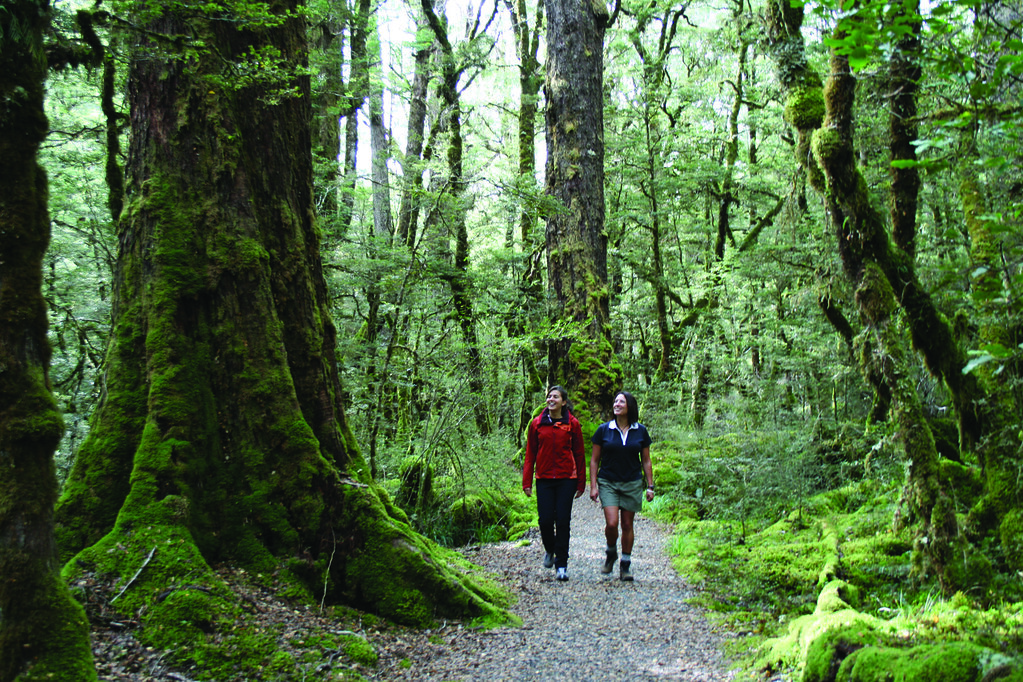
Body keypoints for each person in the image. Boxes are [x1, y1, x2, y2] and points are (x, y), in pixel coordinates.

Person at [523, 385, 586, 581]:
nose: (551, 399)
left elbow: (579, 453)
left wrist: (581, 483)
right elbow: (530, 453)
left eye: (555, 397)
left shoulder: (572, 424)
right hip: (544, 478)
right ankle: (550, 549)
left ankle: (562, 565)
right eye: (549, 396)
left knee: (563, 521)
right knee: (545, 520)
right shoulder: (537, 424)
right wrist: (527, 481)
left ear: (563, 402)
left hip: (567, 478)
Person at [589, 391, 654, 581]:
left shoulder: (640, 430)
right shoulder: (604, 430)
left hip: (632, 482)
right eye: (615, 401)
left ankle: (625, 564)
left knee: (627, 524)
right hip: (608, 481)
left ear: (629, 406)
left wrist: (650, 486)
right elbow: (594, 461)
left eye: (621, 401)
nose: (616, 404)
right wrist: (593, 486)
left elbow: (646, 461)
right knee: (612, 523)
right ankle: (611, 552)